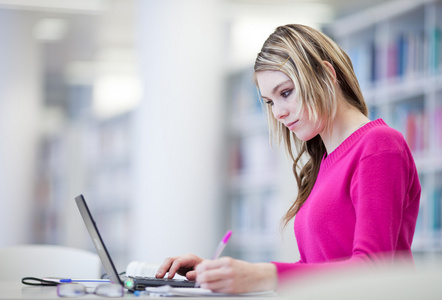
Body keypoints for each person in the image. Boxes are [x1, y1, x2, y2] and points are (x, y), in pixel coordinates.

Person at [155, 24, 421, 294]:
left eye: (285, 93)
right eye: (270, 102)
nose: (278, 113)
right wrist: (225, 273)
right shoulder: (324, 163)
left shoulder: (379, 145)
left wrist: (264, 274)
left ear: (327, 75)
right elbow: (317, 268)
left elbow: (375, 269)